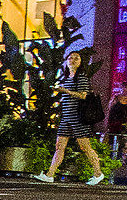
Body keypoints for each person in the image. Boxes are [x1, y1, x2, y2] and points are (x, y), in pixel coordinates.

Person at [36, 50, 106, 185]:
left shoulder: (81, 77)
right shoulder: (67, 77)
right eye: (70, 58)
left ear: (80, 62)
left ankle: (98, 173)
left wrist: (65, 91)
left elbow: (83, 95)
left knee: (85, 146)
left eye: (76, 58)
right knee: (59, 146)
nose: (72, 60)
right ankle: (50, 174)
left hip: (78, 117)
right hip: (67, 117)